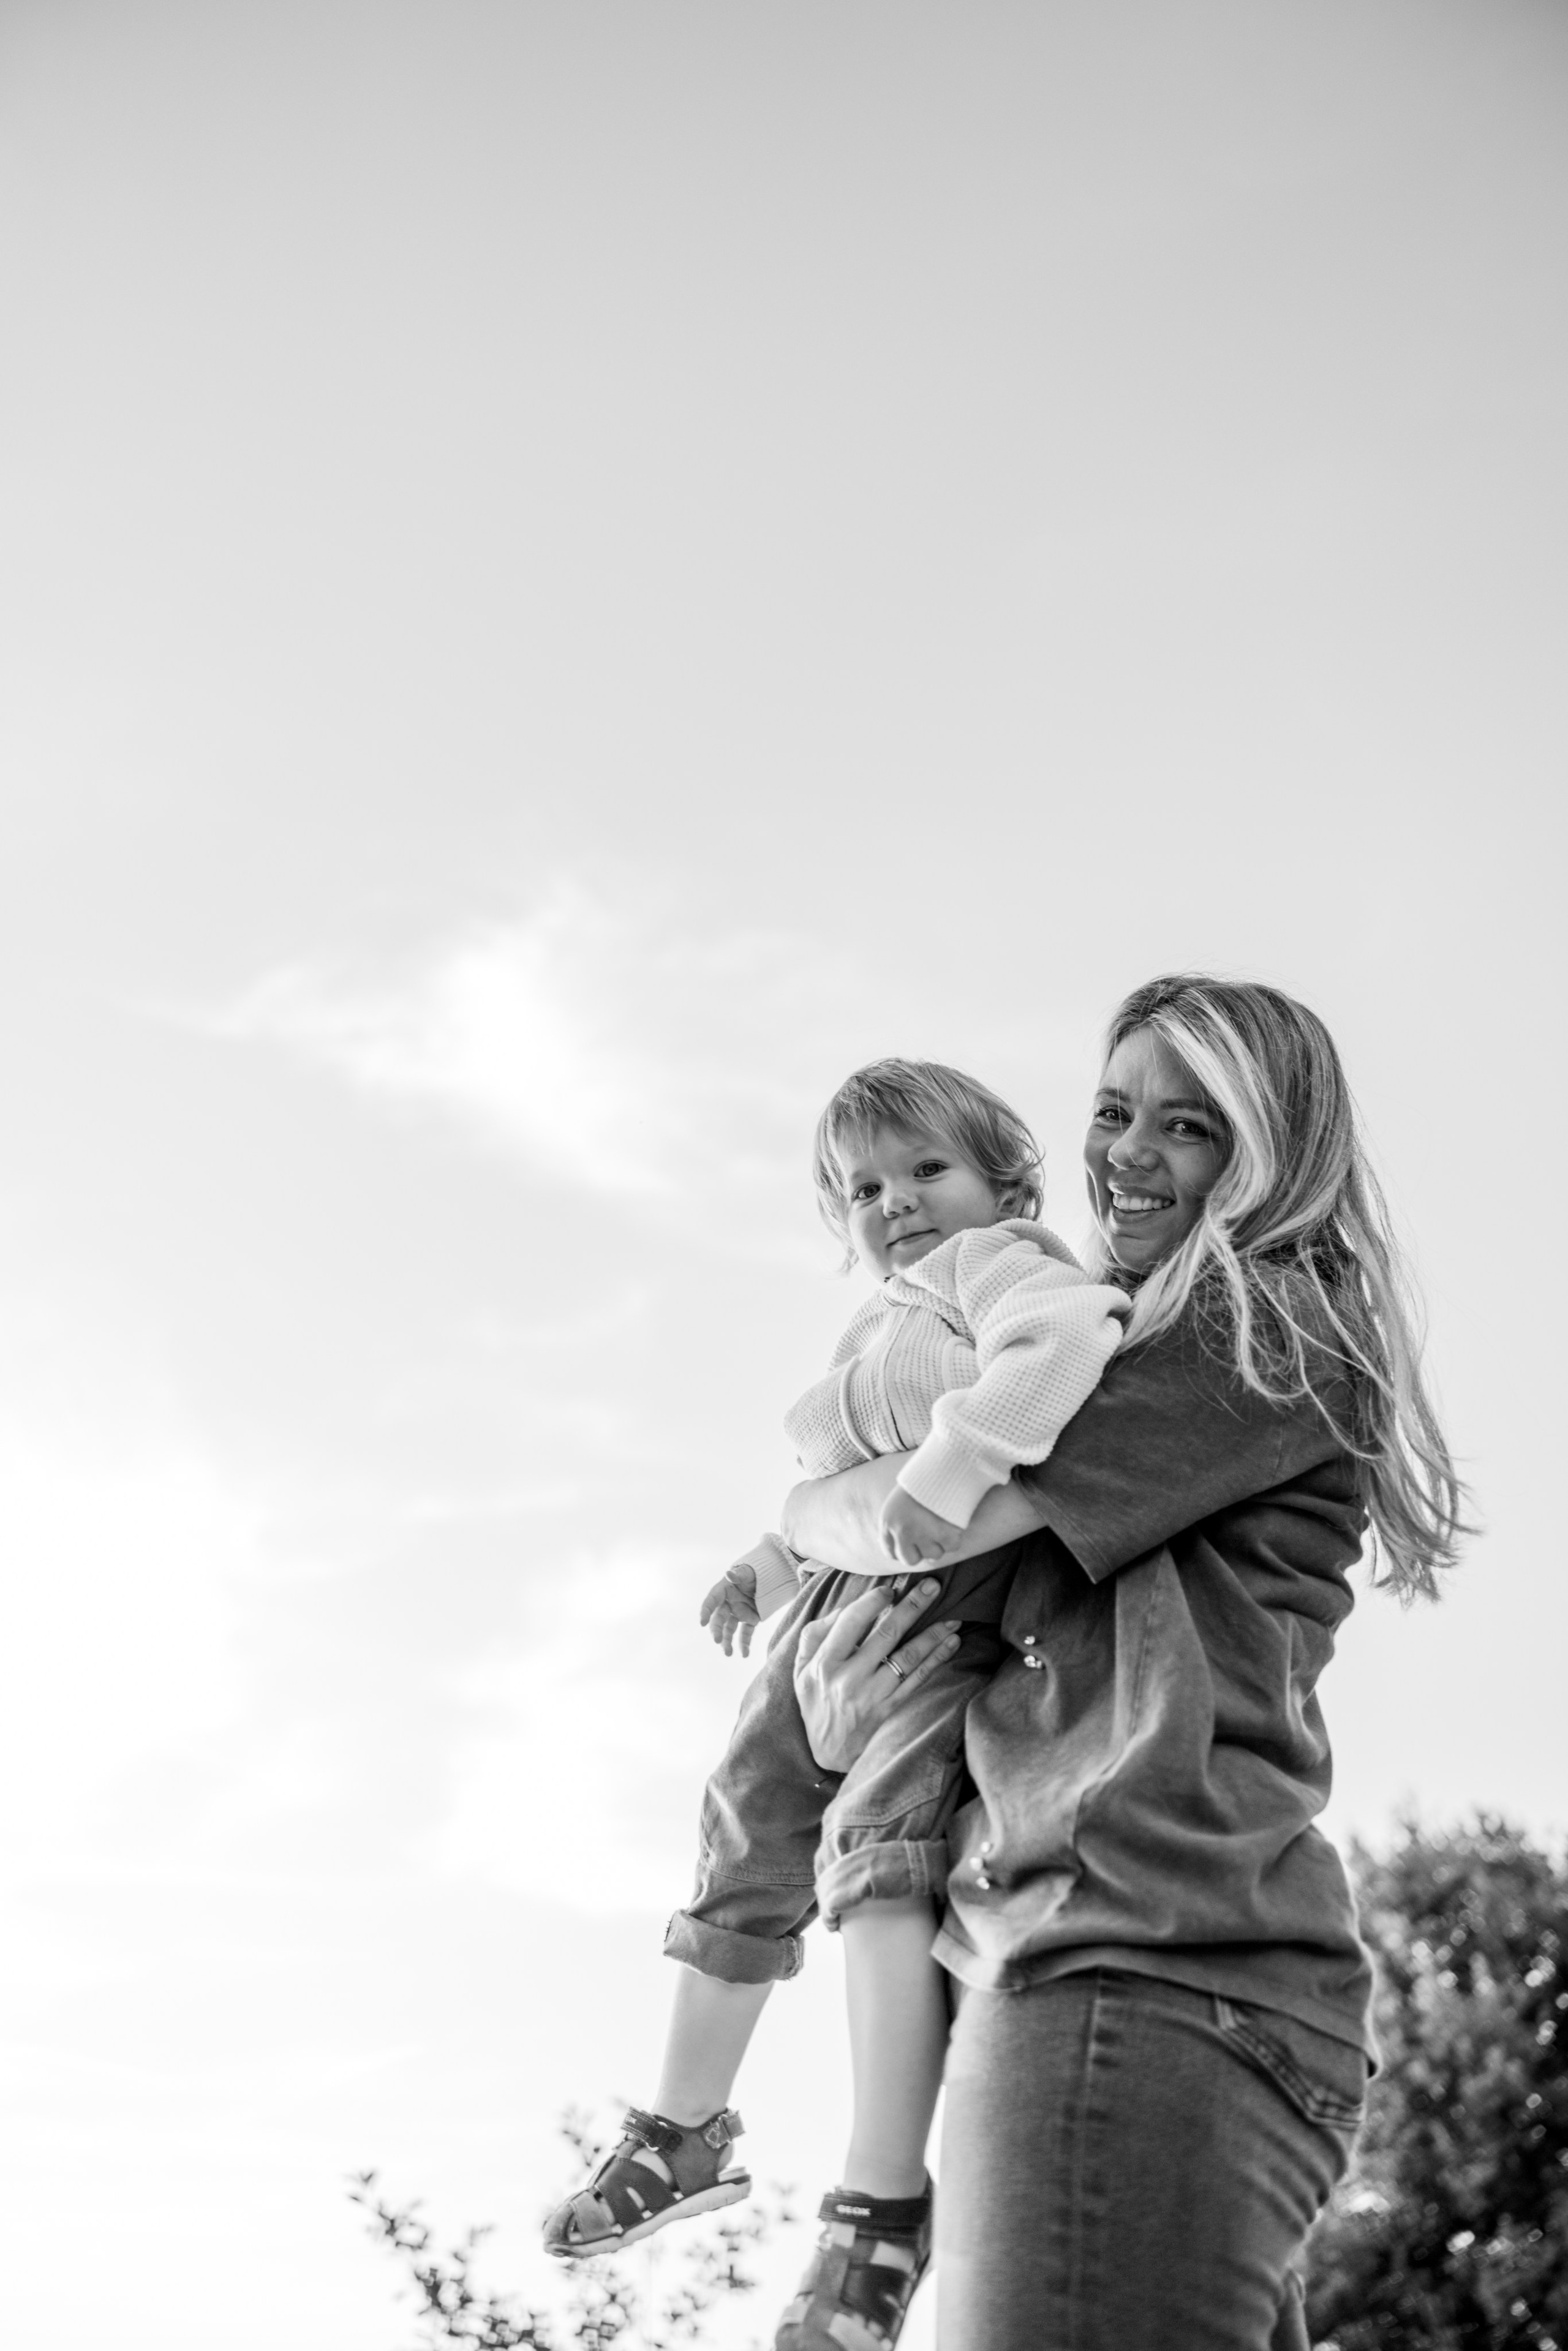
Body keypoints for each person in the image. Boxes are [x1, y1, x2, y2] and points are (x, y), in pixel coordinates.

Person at [782, 975, 1470, 2351]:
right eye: (1112, 1112)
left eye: (1190, 1126)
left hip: (1135, 1966)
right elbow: (979, 1644)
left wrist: (794, 1516)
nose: (1128, 1156)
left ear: (1270, 1150)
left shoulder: (1258, 1326)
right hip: (1099, 1969)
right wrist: (845, 1720)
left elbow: (941, 1517)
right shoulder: (1121, 1339)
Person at [543, 1059, 1129, 2347]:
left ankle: (876, 2204)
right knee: (740, 1837)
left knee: (877, 1865)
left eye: (927, 1170)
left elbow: (1066, 1341)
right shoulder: (873, 1330)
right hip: (821, 1626)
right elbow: (825, 1485)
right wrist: (764, 1563)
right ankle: (680, 2127)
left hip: (939, 1616)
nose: (895, 1202)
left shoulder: (1003, 1268)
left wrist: (960, 1461)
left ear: (1005, 1184)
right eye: (862, 1187)